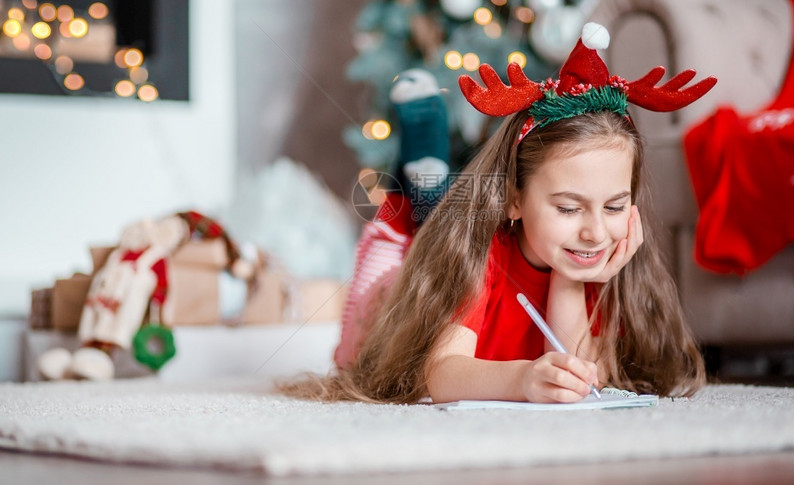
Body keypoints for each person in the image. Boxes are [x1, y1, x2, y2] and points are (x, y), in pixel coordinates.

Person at [283, 23, 716, 404]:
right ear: (513, 198)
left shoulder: (602, 264)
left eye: (615, 206)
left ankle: (429, 186)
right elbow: (442, 372)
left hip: (461, 249)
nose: (596, 231)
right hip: (393, 296)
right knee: (396, 253)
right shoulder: (480, 258)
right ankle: (415, 166)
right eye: (568, 207)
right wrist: (523, 377)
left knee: (438, 217)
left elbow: (583, 373)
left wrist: (571, 278)